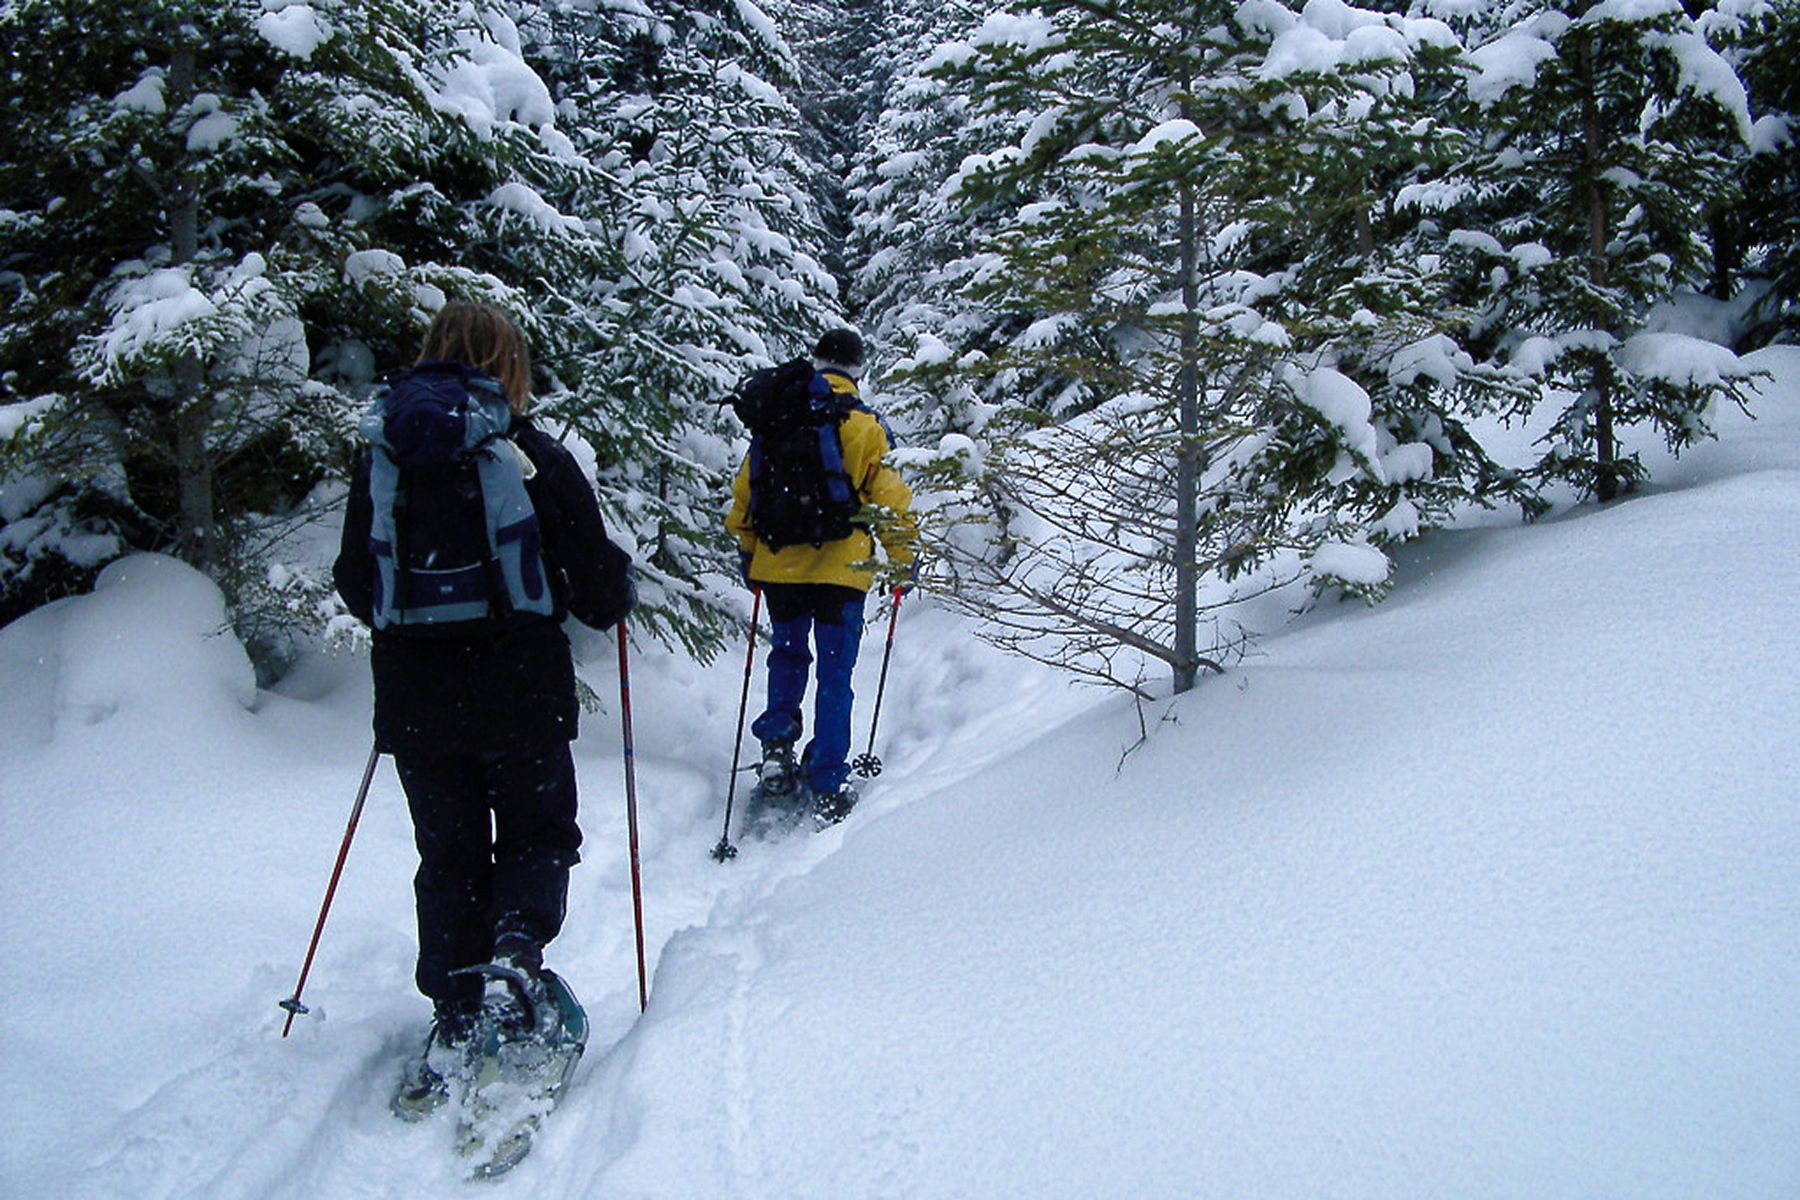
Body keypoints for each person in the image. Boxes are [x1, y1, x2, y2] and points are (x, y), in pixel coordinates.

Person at [333, 301, 634, 1109]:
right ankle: (514, 958)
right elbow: (600, 594)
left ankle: (456, 1005)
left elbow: (358, 585)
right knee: (536, 833)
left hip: (417, 699)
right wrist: (613, 582)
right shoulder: (534, 457)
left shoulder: (381, 461)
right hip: (521, 690)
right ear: (513, 369)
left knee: (451, 851)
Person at [725, 328, 916, 823]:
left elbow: (745, 493)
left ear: (817, 361)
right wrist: (903, 558)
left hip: (779, 566)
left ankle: (776, 750)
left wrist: (751, 556)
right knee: (835, 672)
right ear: (859, 368)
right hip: (842, 570)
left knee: (787, 654)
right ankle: (829, 779)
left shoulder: (777, 415)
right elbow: (890, 500)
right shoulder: (864, 424)